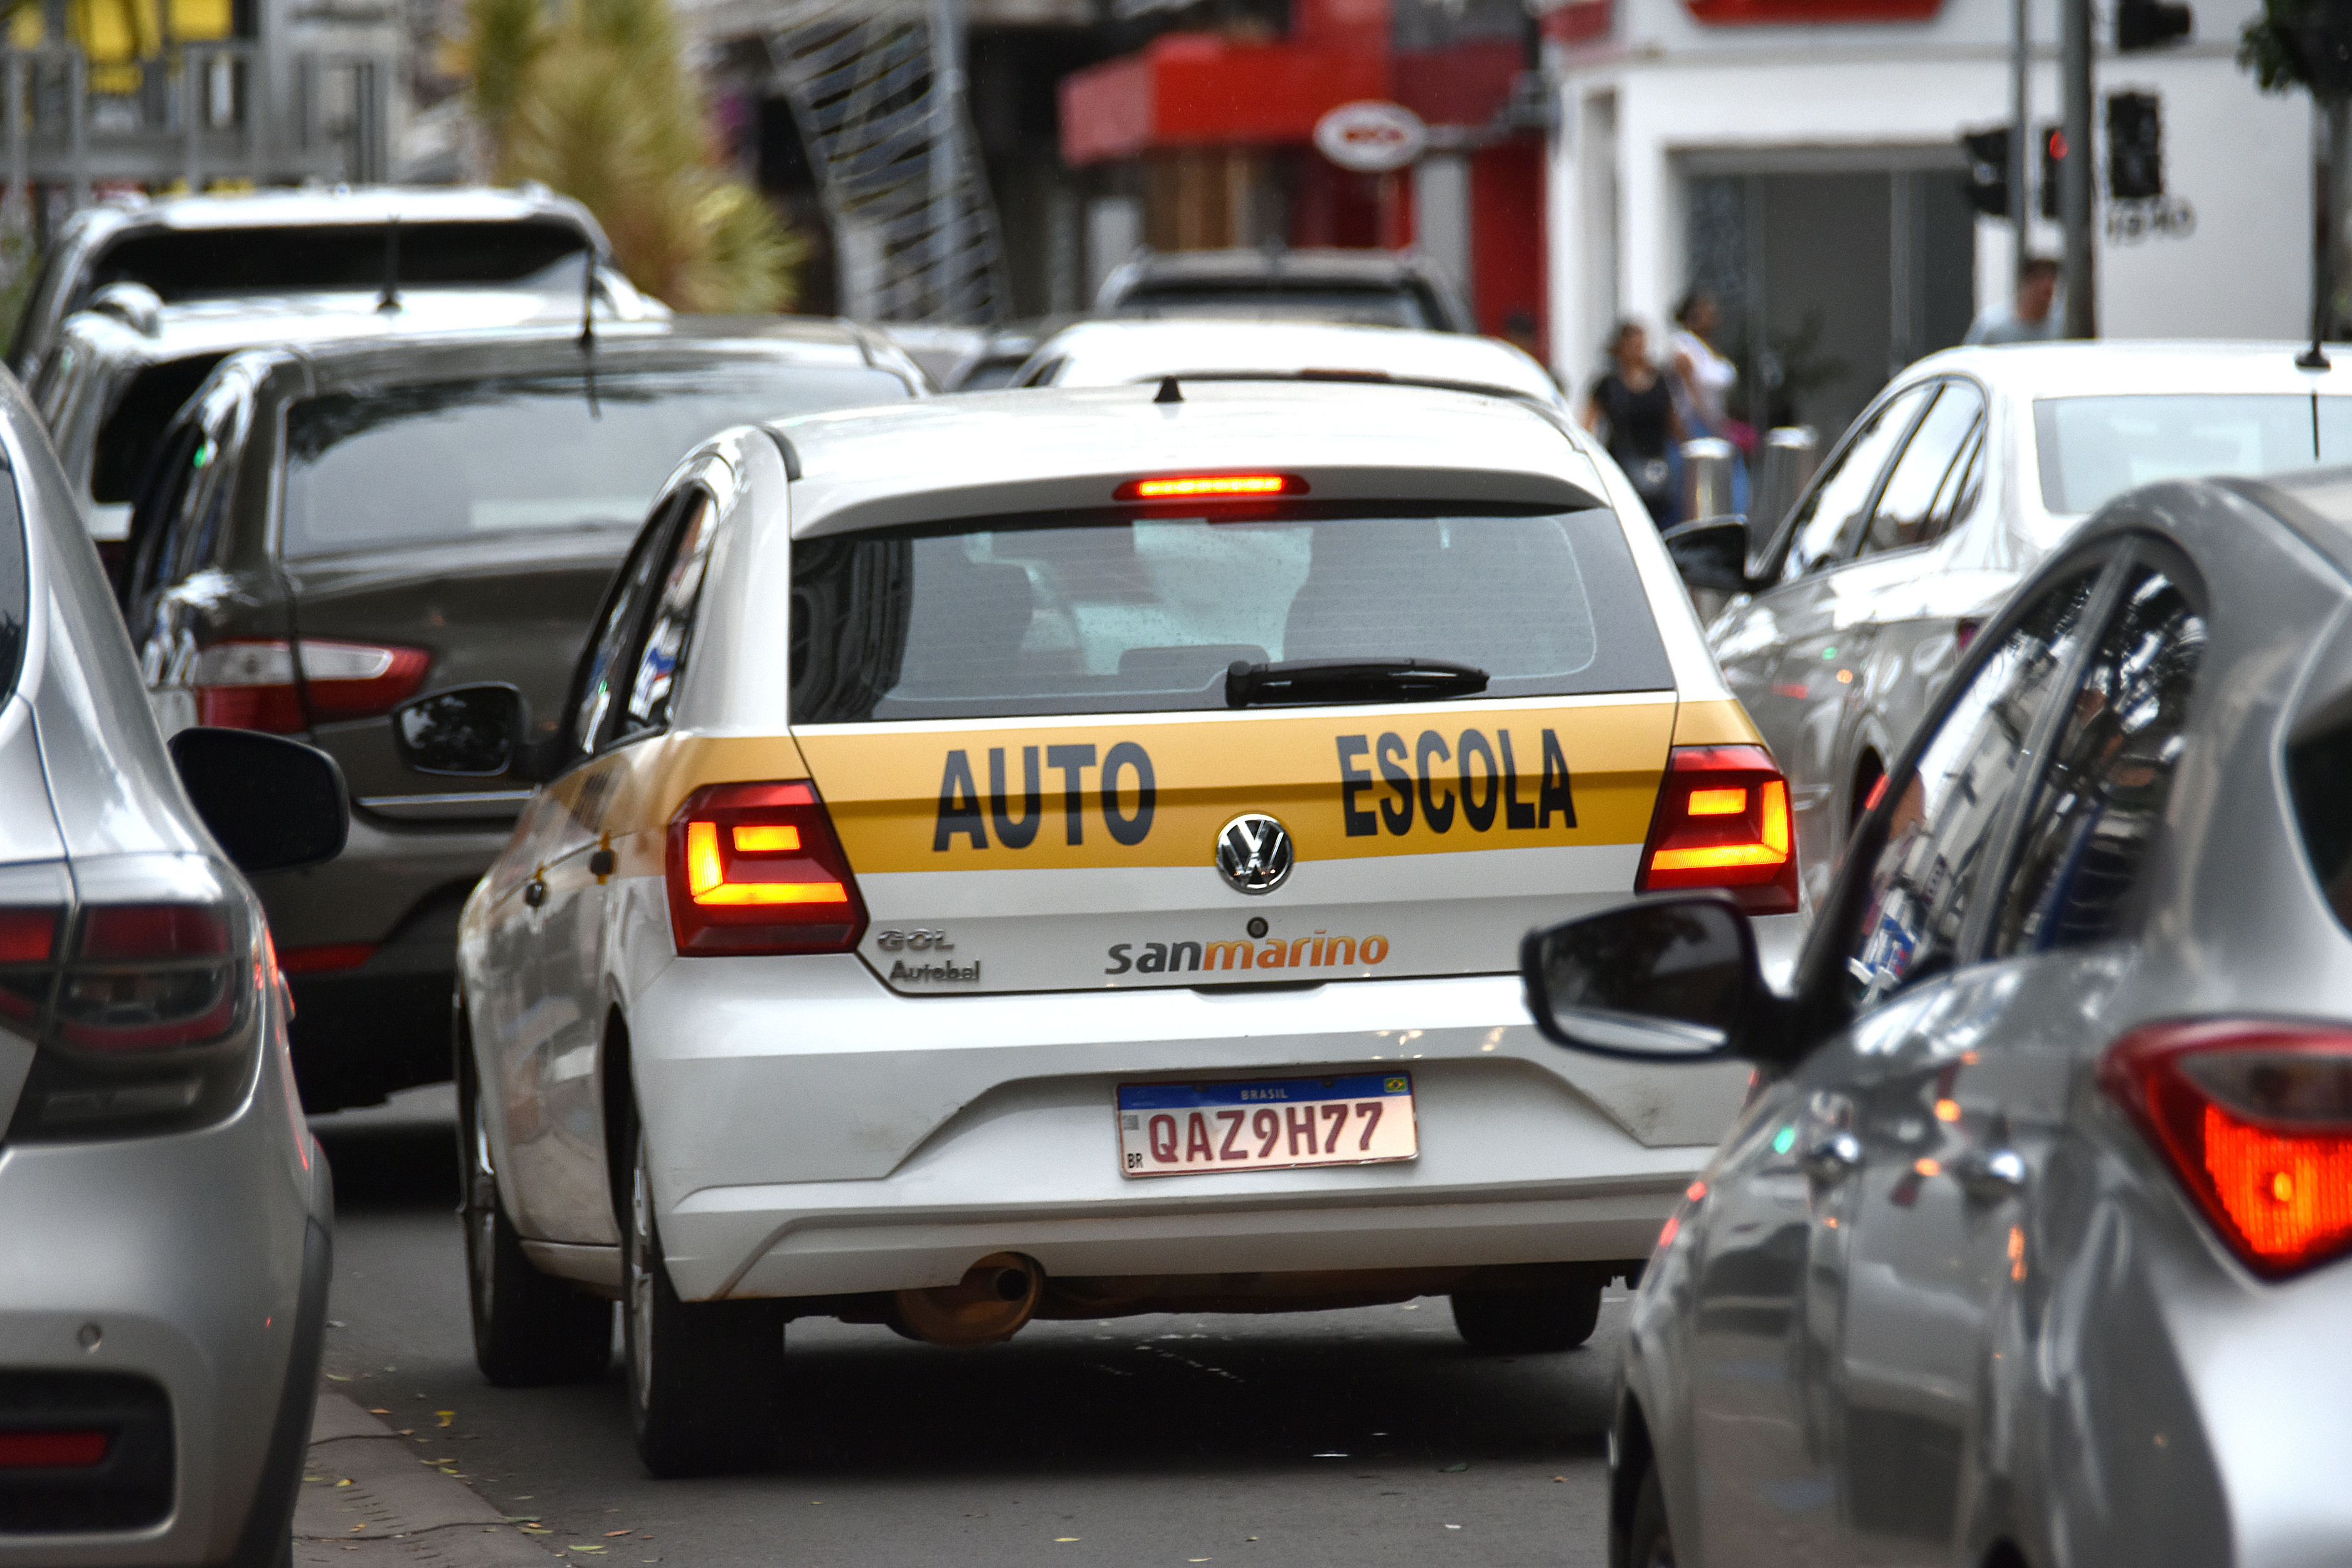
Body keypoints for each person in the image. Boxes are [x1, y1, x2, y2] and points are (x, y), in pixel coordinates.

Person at [1583, 320, 1682, 527]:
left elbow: (1673, 421)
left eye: (1641, 345)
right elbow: (1587, 423)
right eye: (1633, 346)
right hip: (1622, 463)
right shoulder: (1608, 384)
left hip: (1657, 463)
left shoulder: (1660, 379)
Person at [1965, 257, 2063, 345]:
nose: (2042, 297)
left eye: (2048, 292)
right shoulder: (1993, 325)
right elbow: (1969, 358)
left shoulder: (2062, 324)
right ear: (2026, 284)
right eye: (2039, 282)